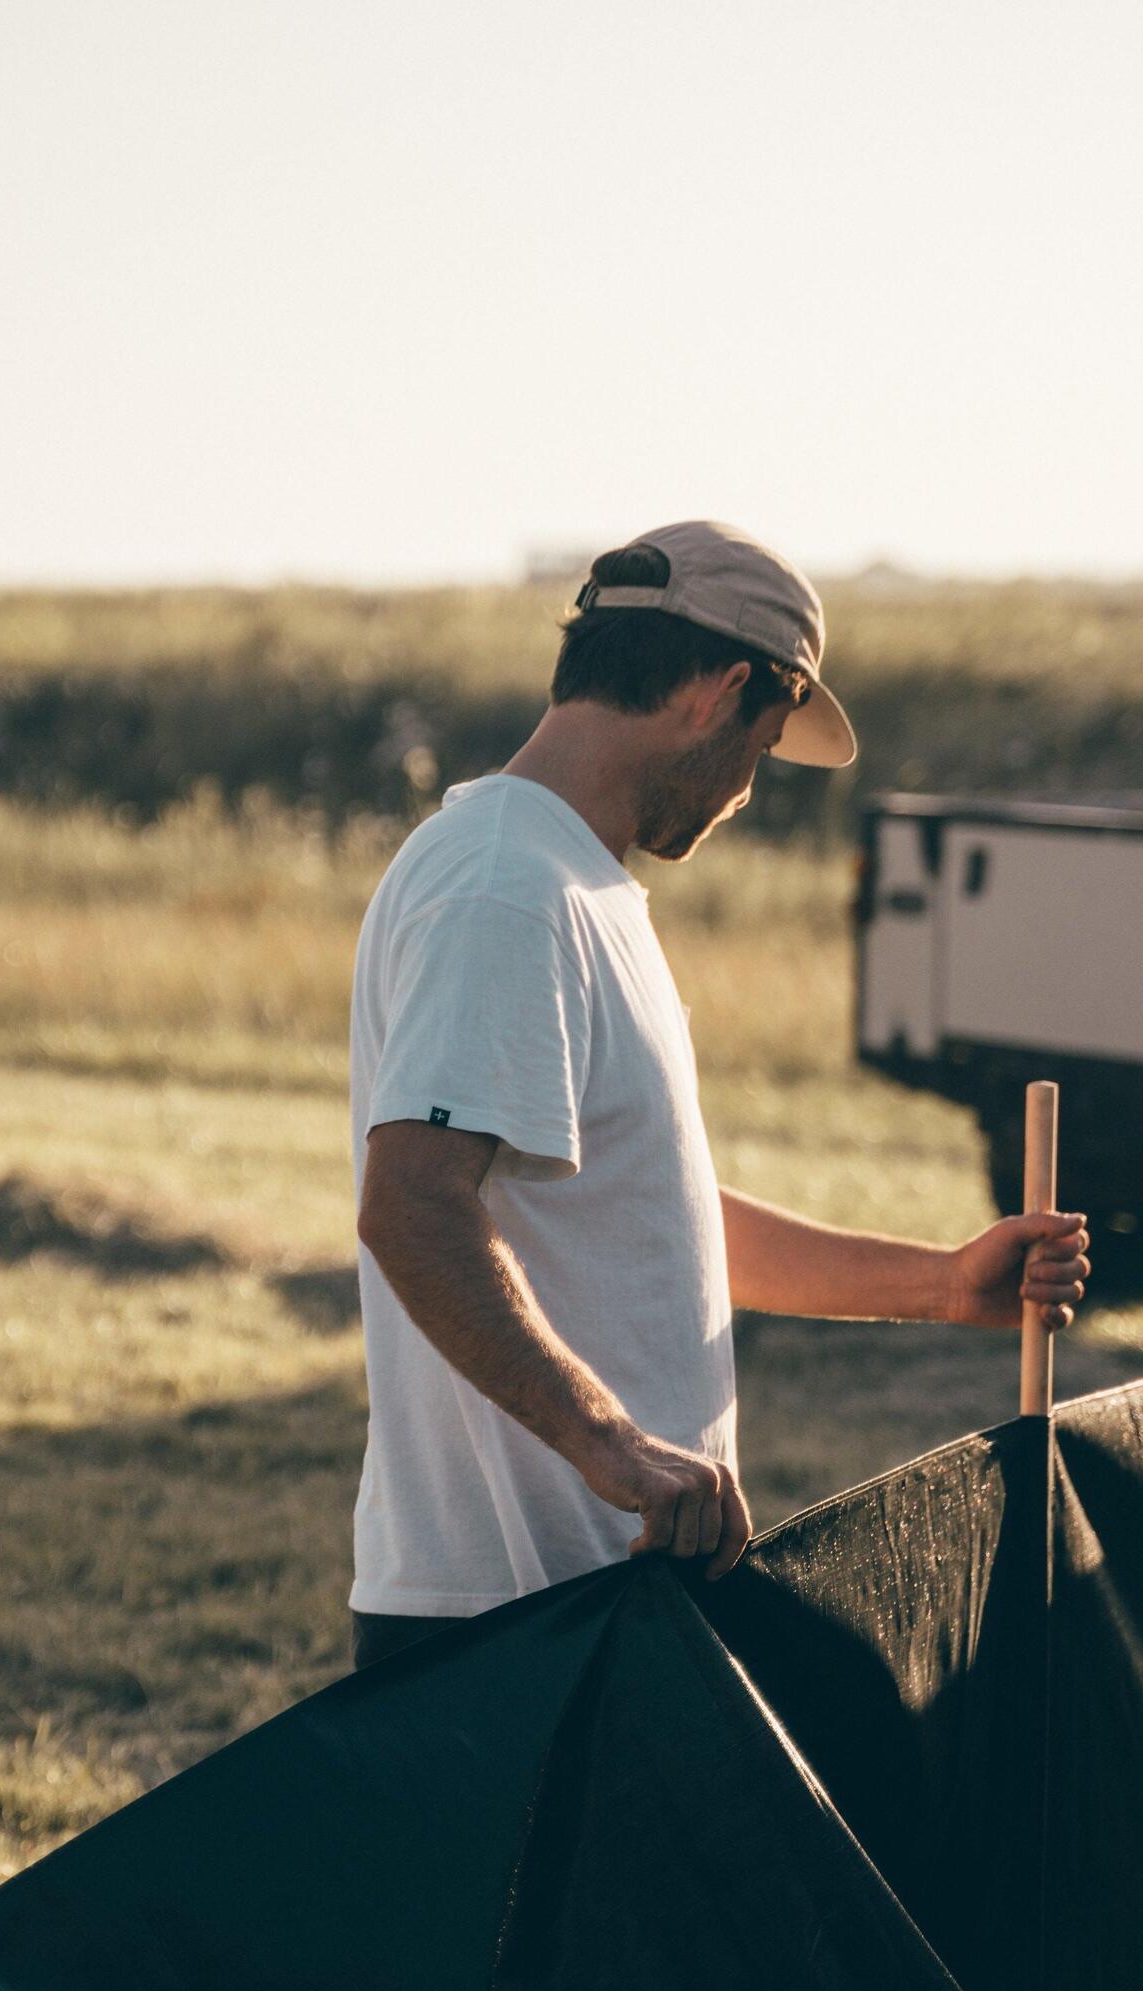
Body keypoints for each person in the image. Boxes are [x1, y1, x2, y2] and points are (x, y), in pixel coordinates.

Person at [346, 520, 1092, 1670]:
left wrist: (941, 1286)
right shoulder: (505, 887)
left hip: (605, 1595)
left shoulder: (577, 883)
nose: (749, 791)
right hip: (514, 1619)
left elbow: (658, 1222)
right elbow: (413, 1207)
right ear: (720, 690)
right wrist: (618, 1449)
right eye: (764, 743)